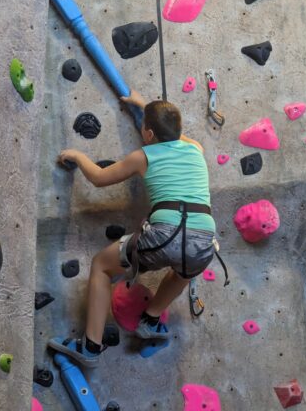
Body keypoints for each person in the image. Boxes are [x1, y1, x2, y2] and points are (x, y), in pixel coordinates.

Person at [48, 90, 216, 367]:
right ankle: (150, 320)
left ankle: (90, 346)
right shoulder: (196, 148)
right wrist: (143, 105)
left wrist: (78, 156)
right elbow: (174, 135)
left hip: (165, 235)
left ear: (148, 134)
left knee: (102, 265)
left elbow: (100, 179)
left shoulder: (143, 156)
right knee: (183, 273)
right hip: (203, 240)